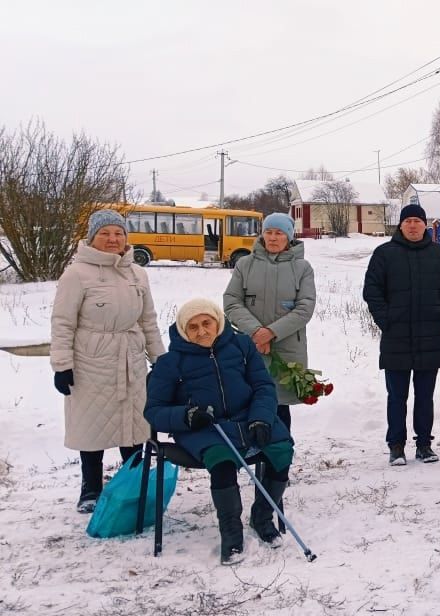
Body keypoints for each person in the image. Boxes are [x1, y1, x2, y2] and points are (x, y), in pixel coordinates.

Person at [145, 299, 293, 565]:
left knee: (281, 451)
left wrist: (260, 419)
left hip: (247, 419)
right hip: (205, 428)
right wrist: (187, 416)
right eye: (193, 327)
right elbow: (154, 410)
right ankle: (231, 534)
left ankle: (262, 517)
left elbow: (263, 386)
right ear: (183, 331)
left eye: (206, 323)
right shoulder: (170, 363)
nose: (202, 331)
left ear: (217, 322)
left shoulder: (241, 346)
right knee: (222, 462)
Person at [50, 210, 165, 513]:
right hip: (91, 359)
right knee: (92, 424)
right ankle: (90, 489)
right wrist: (62, 365)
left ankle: (132, 483)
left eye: (119, 233)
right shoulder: (76, 273)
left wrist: (161, 360)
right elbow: (62, 322)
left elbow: (148, 320)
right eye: (105, 233)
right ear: (92, 237)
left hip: (131, 357)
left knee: (134, 423)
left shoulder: (137, 273)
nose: (113, 239)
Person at [363, 204, 440, 466]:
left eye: (418, 220)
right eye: (408, 221)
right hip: (396, 337)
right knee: (397, 396)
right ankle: (396, 446)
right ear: (401, 225)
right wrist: (386, 320)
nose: (413, 225)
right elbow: (372, 291)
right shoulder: (384, 254)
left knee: (425, 395)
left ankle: (424, 444)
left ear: (424, 224)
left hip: (430, 336)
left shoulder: (439, 254)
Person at [223, 212, 316, 434]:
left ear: (289, 237)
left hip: (286, 349)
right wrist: (256, 333)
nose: (273, 238)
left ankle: (279, 462)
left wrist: (271, 333)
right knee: (249, 402)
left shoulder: (302, 268)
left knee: (279, 406)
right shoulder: (245, 264)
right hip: (250, 346)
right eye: (268, 232)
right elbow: (231, 302)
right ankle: (253, 455)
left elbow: (305, 308)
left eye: (279, 233)